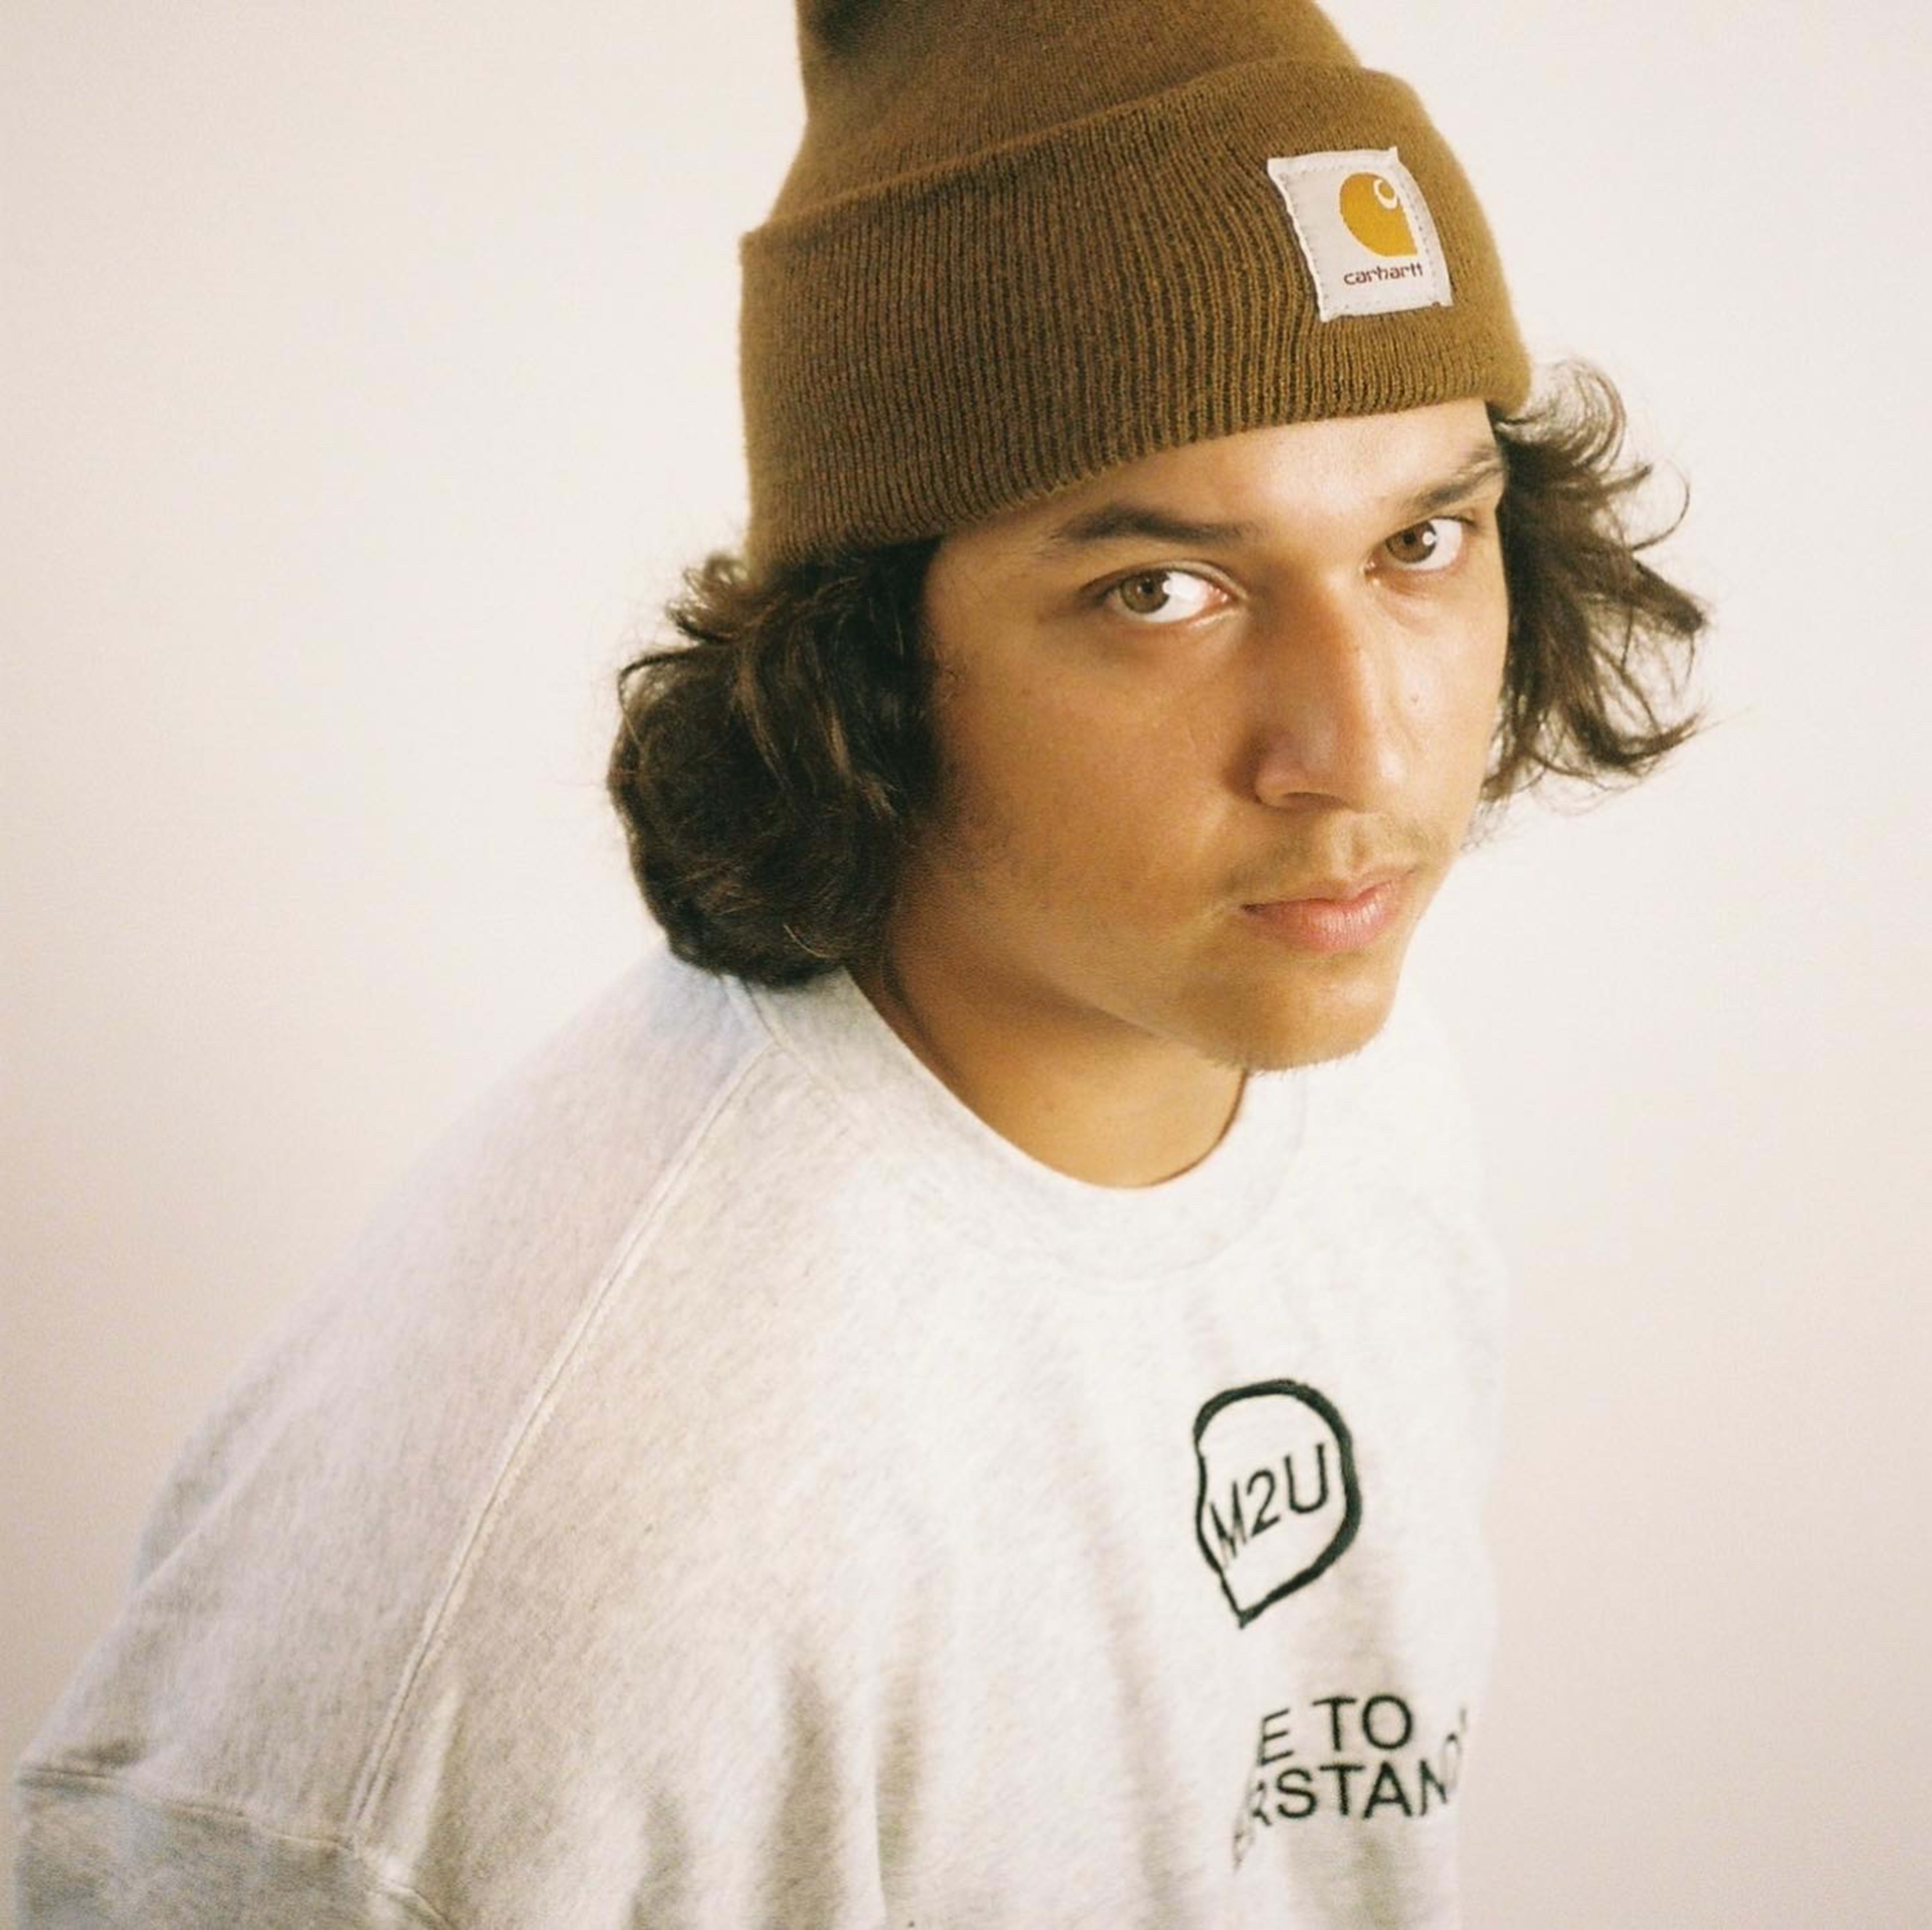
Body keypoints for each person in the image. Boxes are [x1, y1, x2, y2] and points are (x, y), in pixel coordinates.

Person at [13, 1, 1710, 1923]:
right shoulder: (600, 1552)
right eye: (1159, 590)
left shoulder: (1350, 1082)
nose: (1366, 749)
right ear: (867, 657)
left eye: (1423, 540)